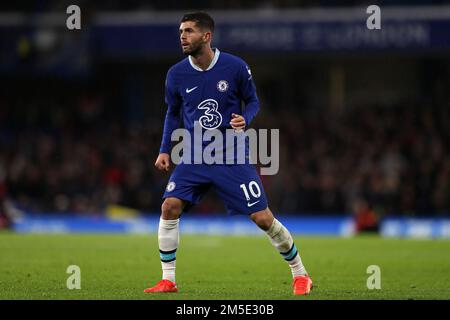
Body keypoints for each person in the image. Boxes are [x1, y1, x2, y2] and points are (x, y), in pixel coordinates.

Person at [144, 12, 312, 295]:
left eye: (188, 31)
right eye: (180, 31)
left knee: (263, 218)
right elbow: (172, 113)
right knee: (169, 206)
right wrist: (164, 150)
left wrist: (245, 118)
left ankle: (300, 274)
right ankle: (168, 280)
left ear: (206, 36)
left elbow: (254, 101)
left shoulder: (235, 67)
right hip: (195, 156)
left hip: (231, 154)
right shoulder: (175, 74)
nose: (182, 36)